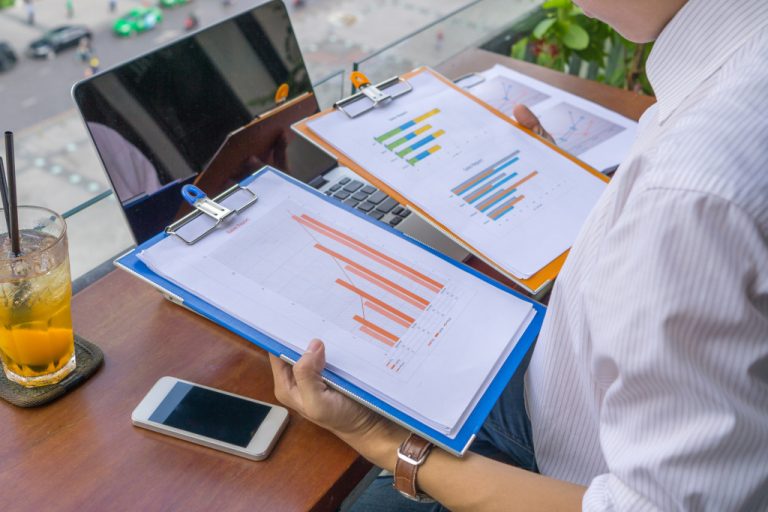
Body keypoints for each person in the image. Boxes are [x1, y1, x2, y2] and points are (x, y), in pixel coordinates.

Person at [269, 0, 768, 510]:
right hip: (563, 383)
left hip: (565, 467)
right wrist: (600, 209)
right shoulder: (738, 77)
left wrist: (381, 439)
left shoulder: (689, 190)